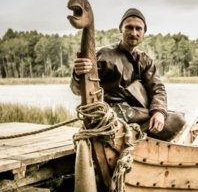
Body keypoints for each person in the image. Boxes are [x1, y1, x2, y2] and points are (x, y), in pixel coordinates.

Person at [70, 8, 185, 141]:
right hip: (109, 114)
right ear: (121, 29)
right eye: (129, 27)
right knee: (113, 119)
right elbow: (77, 90)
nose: (134, 33)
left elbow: (158, 89)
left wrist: (158, 111)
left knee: (177, 120)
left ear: (144, 33)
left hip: (138, 114)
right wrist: (79, 74)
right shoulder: (101, 55)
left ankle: (134, 138)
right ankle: (128, 136)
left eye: (138, 29)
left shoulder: (145, 61)